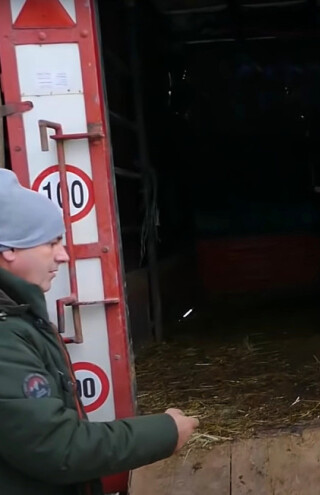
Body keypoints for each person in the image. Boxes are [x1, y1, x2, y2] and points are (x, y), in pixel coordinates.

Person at [0, 168, 199, 494]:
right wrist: (166, 432)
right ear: (10, 248)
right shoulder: (5, 336)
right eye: (51, 243)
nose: (63, 256)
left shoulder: (18, 315)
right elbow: (56, 447)